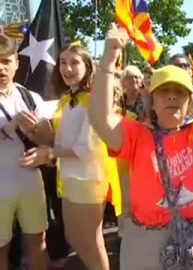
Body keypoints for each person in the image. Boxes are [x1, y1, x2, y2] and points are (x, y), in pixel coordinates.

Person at [89, 24, 193, 269]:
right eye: (164, 92)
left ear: (191, 103)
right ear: (151, 102)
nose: (172, 96)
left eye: (179, 92)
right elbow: (100, 117)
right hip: (146, 243)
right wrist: (109, 58)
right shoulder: (136, 134)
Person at [21, 43, 121, 270]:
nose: (67, 68)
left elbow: (86, 149)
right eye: (63, 63)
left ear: (87, 66)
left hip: (89, 180)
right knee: (74, 237)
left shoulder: (96, 100)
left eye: (74, 62)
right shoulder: (66, 101)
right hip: (67, 178)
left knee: (92, 242)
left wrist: (49, 154)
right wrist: (35, 131)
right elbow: (60, 140)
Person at [0, 34, 48, 270]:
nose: (1, 67)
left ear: (16, 63)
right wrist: (10, 126)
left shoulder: (31, 97)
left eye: (6, 61)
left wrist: (37, 133)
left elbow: (49, 140)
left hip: (30, 183)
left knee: (38, 242)